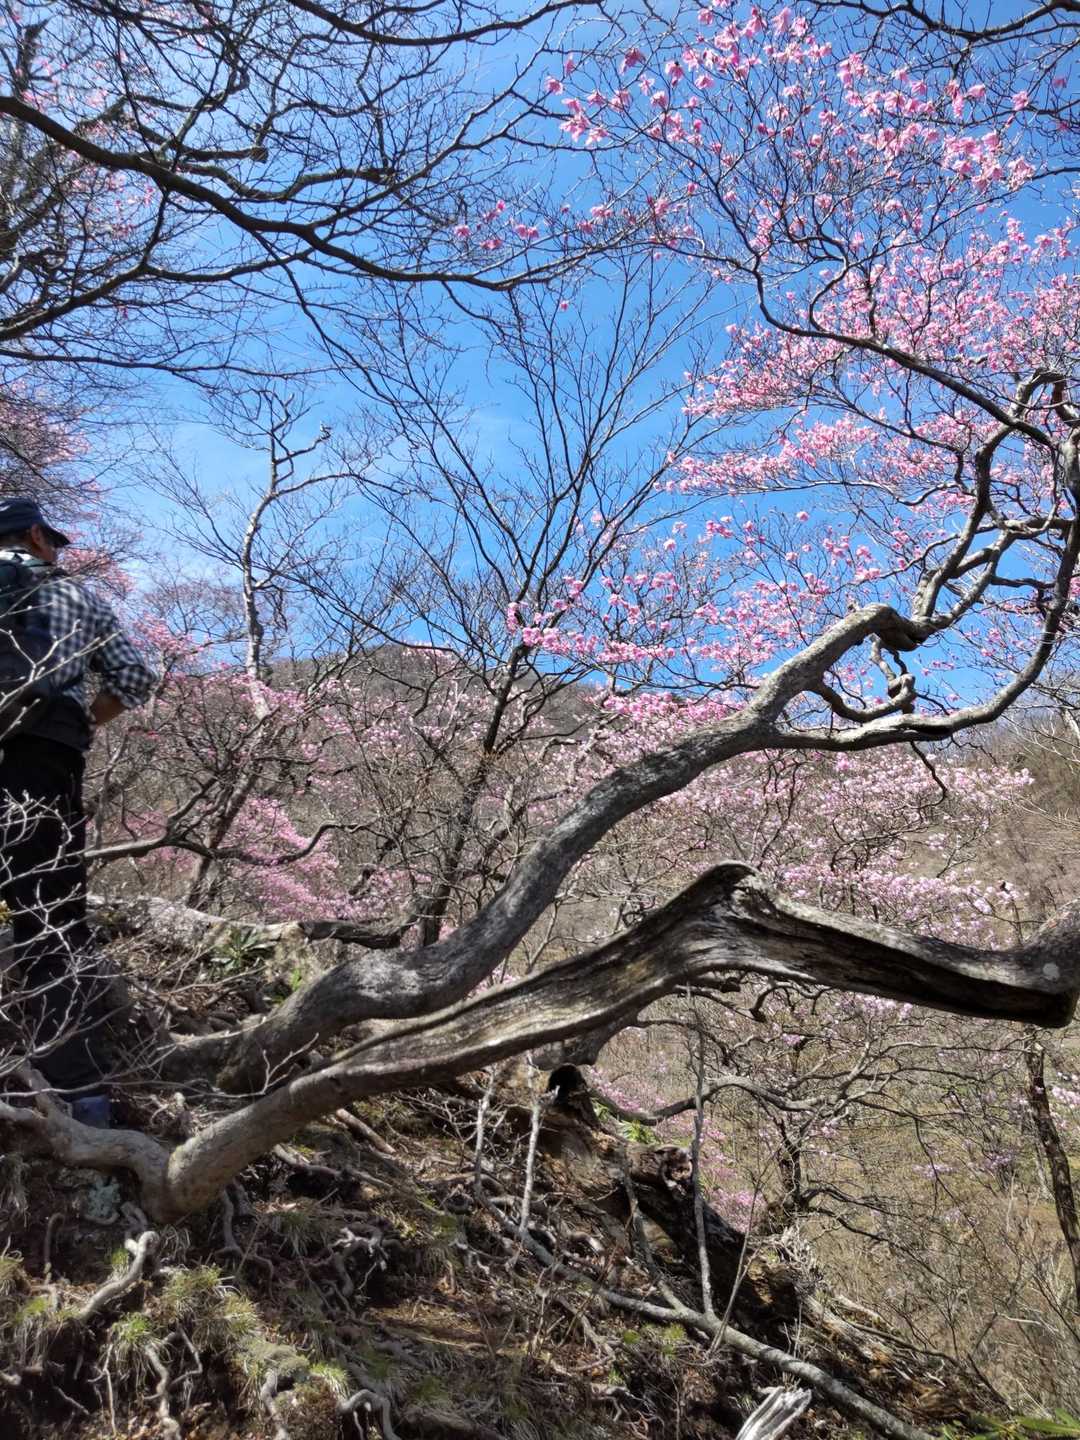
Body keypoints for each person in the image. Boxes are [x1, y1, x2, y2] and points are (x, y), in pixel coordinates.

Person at [0, 497, 156, 1126]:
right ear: (36, 536)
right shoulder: (76, 597)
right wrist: (84, 721)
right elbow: (133, 680)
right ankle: (80, 1098)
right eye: (54, 543)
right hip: (44, 760)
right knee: (53, 923)